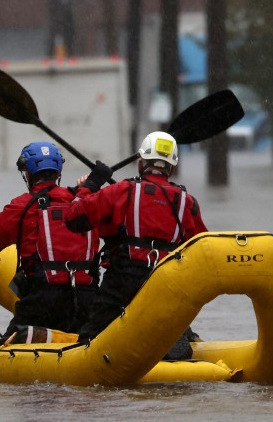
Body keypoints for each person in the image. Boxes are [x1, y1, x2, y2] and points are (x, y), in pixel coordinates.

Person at [64, 131, 209, 359]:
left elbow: (73, 218)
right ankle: (177, 343)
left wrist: (90, 185)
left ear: (141, 163)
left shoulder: (122, 190)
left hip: (123, 281)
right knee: (169, 327)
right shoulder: (187, 202)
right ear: (171, 168)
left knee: (90, 340)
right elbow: (203, 250)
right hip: (167, 282)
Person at [0, 141, 99, 342]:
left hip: (42, 301)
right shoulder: (85, 202)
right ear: (58, 173)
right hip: (87, 299)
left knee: (5, 348)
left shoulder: (22, 206)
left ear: (27, 174)